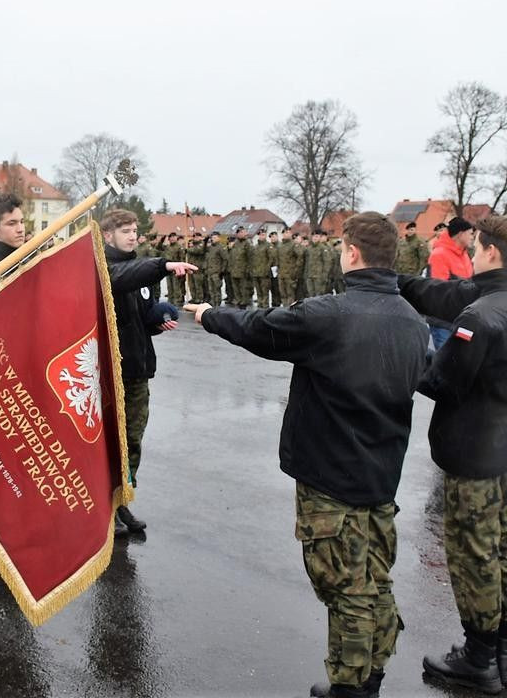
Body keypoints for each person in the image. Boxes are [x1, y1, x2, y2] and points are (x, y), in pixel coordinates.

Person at [186, 212, 427, 698]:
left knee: (345, 587)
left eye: (342, 247)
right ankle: (372, 671)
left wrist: (208, 315)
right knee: (373, 578)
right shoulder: (413, 322)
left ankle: (351, 687)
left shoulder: (331, 313)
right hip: (381, 472)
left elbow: (262, 328)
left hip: (331, 474)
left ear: (353, 253)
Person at [398, 215, 507, 694]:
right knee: (501, 549)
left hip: (474, 454)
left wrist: (410, 353)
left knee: (472, 555)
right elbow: (448, 295)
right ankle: (499, 651)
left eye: (476, 246)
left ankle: (478, 659)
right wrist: (396, 282)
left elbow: (439, 381)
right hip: (505, 447)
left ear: (493, 251)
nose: (471, 252)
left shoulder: (479, 319)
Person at [100, 209, 197, 536]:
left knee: (132, 441)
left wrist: (158, 319)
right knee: (109, 445)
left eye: (133, 230)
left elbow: (140, 319)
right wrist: (163, 265)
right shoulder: (104, 269)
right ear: (108, 235)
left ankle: (122, 500)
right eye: (124, 231)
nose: (131, 236)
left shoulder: (139, 275)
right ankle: (104, 509)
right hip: (111, 375)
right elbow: (123, 276)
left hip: (139, 370)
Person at [425, 217, 475, 349]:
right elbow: (439, 292)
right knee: (447, 364)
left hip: (462, 320)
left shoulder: (464, 254)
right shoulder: (439, 255)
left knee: (463, 360)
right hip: (444, 323)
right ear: (460, 234)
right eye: (470, 233)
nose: (472, 237)